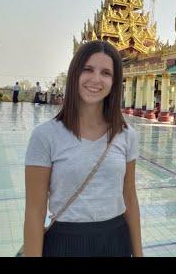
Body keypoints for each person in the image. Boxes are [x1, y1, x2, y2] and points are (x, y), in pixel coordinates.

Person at [23, 40, 143, 257]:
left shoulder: (126, 136)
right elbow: (34, 211)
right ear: (75, 74)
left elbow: (130, 198)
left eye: (106, 73)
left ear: (114, 82)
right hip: (65, 242)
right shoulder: (45, 136)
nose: (96, 79)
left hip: (115, 241)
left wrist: (139, 255)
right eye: (88, 69)